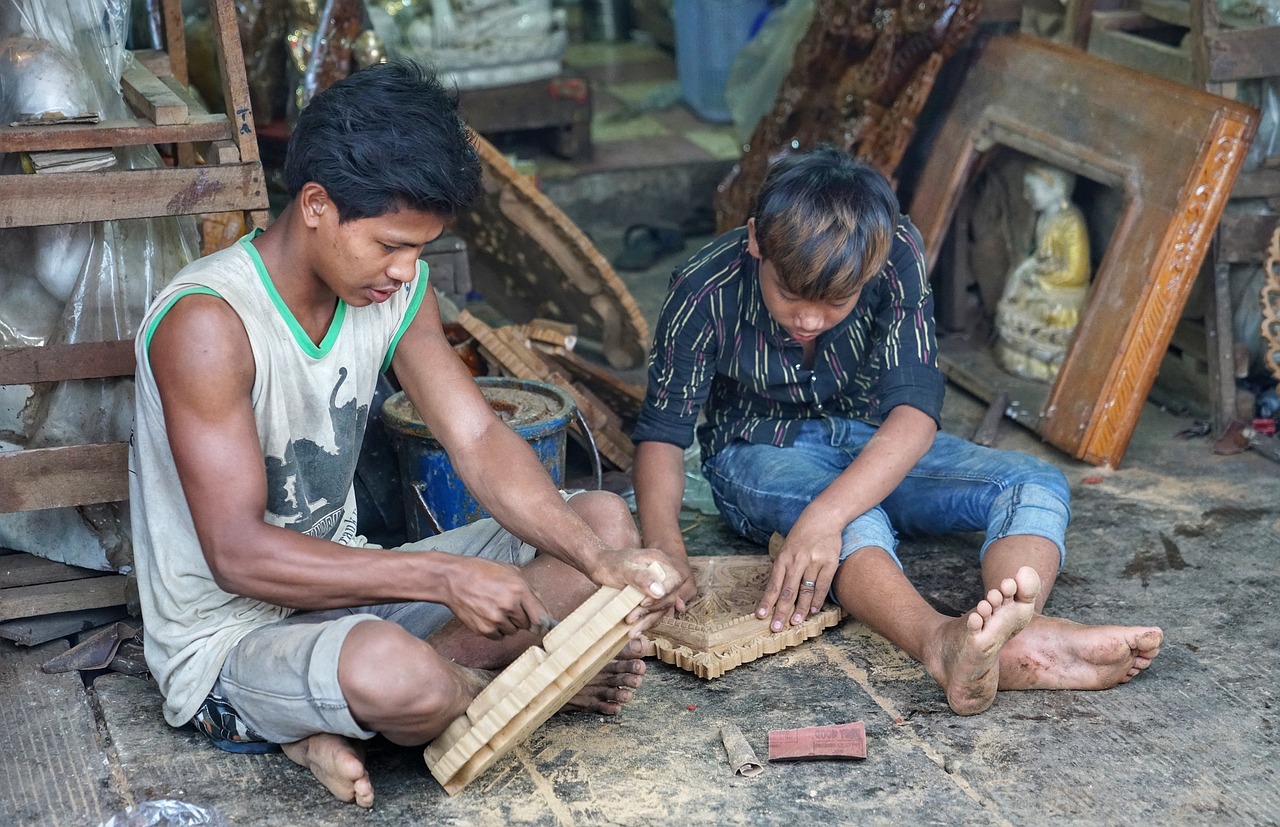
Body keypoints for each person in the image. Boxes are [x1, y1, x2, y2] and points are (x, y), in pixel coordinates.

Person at [129, 60, 683, 809]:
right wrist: (441, 578)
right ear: (318, 205)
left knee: (600, 523)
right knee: (398, 674)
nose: (404, 270)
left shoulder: (395, 291)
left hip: (350, 594)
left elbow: (478, 439)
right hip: (228, 635)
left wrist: (602, 560)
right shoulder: (208, 324)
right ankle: (482, 689)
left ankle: (361, 713)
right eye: (391, 244)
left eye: (420, 249)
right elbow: (238, 554)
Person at [631, 146, 1162, 717]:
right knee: (858, 518)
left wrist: (822, 517)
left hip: (873, 439)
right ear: (758, 240)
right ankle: (941, 643)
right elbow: (663, 435)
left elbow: (913, 413)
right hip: (756, 452)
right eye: (789, 294)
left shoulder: (895, 248)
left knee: (1033, 481)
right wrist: (665, 547)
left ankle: (1009, 633)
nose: (808, 319)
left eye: (835, 302)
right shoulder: (703, 287)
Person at [994, 162, 1092, 382]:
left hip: (1064, 292)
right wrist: (1028, 271)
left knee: (1047, 311)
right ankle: (1020, 351)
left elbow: (1076, 273)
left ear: (1056, 189)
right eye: (1025, 188)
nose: (1026, 195)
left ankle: (1046, 359)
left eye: (1032, 188)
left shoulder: (1071, 222)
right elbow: (1040, 256)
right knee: (1015, 299)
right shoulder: (1044, 218)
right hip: (1044, 283)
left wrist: (1039, 276)